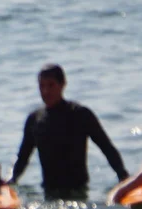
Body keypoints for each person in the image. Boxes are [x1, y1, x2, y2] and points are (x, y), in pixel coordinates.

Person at [10, 64, 128, 198]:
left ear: (63, 84)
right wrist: (12, 180)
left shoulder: (80, 114)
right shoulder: (34, 120)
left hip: (78, 191)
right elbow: (23, 157)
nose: (45, 91)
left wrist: (123, 176)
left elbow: (106, 147)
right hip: (49, 192)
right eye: (41, 86)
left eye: (51, 85)